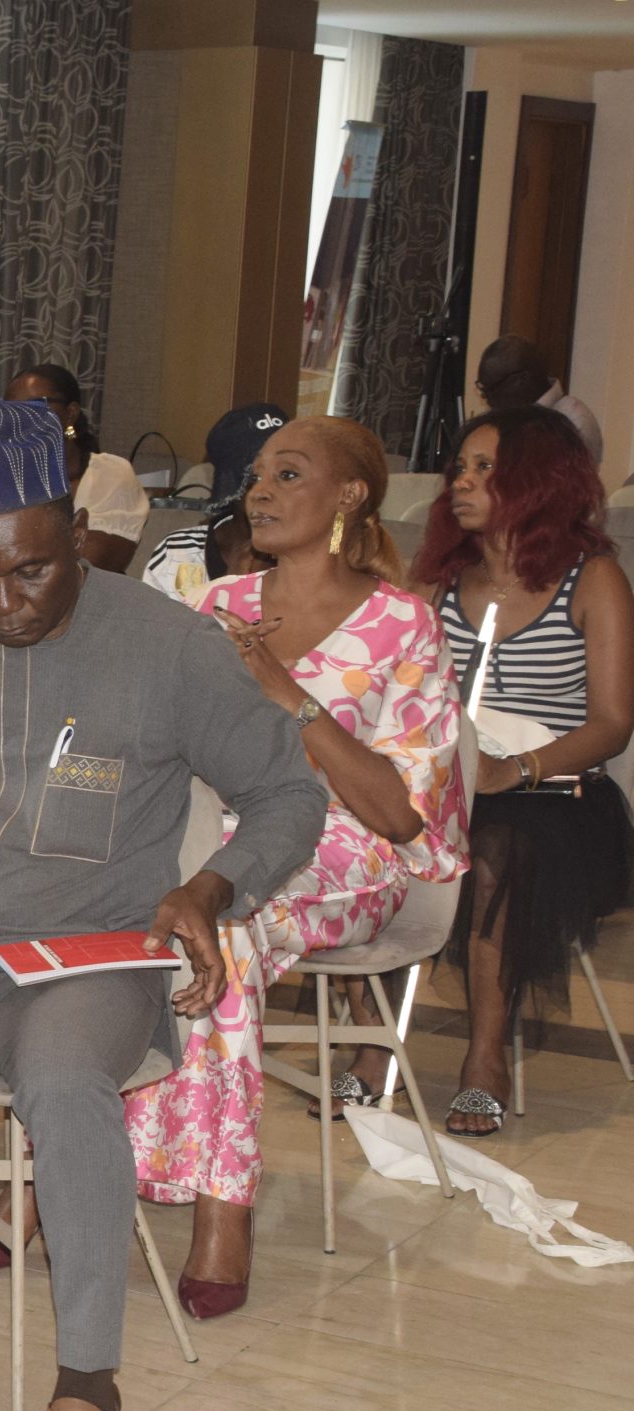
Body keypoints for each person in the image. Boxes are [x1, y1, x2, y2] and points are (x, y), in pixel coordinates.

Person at [0, 400, 325, 1411]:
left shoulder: (171, 647)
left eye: (32, 569)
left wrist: (209, 890)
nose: (7, 601)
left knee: (63, 1082)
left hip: (81, 964)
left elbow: (288, 796)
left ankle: (87, 1400)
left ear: (74, 527)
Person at [117, 418, 466, 1317]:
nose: (260, 491)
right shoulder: (217, 601)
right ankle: (75, 1157)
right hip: (212, 830)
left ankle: (221, 1207)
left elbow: (400, 813)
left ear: (350, 494)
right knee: (121, 905)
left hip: (348, 852)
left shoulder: (404, 623)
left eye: (288, 474)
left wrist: (287, 693)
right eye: (257, 476)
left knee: (220, 925)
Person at [414, 407, 634, 1136]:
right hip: (452, 778)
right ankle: (368, 1036)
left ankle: (485, 1056)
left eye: (485, 468)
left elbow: (611, 724)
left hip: (556, 794)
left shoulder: (593, 579)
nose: (461, 482)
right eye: (460, 468)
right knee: (374, 827)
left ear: (538, 480)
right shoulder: (442, 581)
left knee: (494, 849)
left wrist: (515, 769)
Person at [4, 364, 148, 575]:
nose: (20, 420)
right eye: (10, 411)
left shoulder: (109, 474)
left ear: (70, 413)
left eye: (34, 407)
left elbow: (88, 567)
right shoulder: (0, 475)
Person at [142, 403, 288, 600]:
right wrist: (230, 592)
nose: (270, 491)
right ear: (230, 487)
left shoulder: (311, 555)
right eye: (254, 477)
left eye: (287, 475)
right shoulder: (179, 554)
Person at [477, 334, 606, 474]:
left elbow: (573, 484)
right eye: (483, 389)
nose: (487, 398)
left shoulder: (573, 420)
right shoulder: (504, 419)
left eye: (492, 389)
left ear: (521, 380)